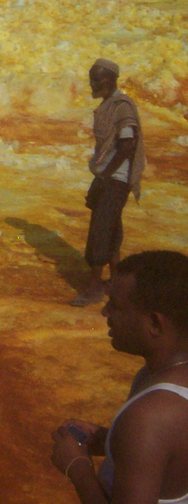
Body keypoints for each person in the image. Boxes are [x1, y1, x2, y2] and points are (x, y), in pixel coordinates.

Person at [51, 250, 188, 504]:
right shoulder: (160, 379)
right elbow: (166, 455)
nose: (105, 313)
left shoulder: (150, 418)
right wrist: (108, 439)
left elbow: (153, 435)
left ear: (156, 324)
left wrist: (78, 470)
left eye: (115, 305)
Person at [72, 58, 146, 307]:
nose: (92, 84)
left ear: (111, 80)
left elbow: (127, 146)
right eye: (91, 79)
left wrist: (105, 176)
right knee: (112, 228)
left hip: (116, 179)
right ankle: (116, 283)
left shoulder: (122, 107)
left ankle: (94, 288)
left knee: (101, 230)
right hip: (108, 177)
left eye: (97, 80)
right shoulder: (108, 105)